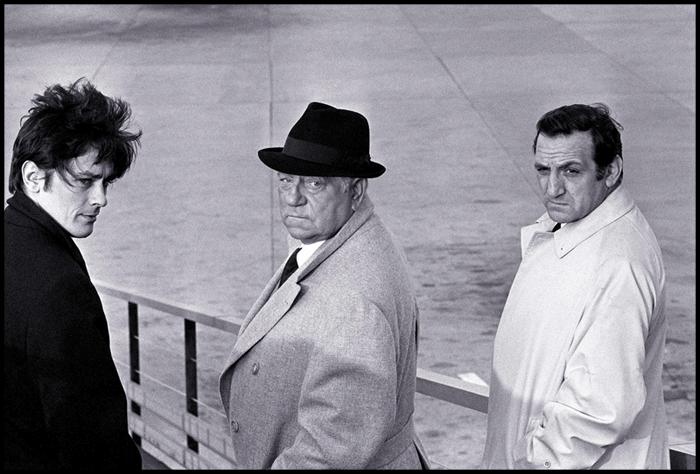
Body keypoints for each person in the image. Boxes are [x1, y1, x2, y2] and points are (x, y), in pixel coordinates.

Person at [218, 102, 430, 469]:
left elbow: (331, 448)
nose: (292, 197)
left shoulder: (354, 301)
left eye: (314, 183)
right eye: (286, 179)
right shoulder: (345, 239)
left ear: (356, 191)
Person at [481, 103, 668, 469]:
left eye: (570, 171)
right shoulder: (570, 231)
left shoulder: (620, 265)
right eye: (543, 170)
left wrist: (531, 461)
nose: (553, 189)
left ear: (610, 171)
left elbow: (600, 407)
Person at [4, 78, 143, 469]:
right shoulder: (59, 289)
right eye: (84, 181)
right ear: (33, 177)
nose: (100, 199)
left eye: (106, 182)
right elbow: (92, 442)